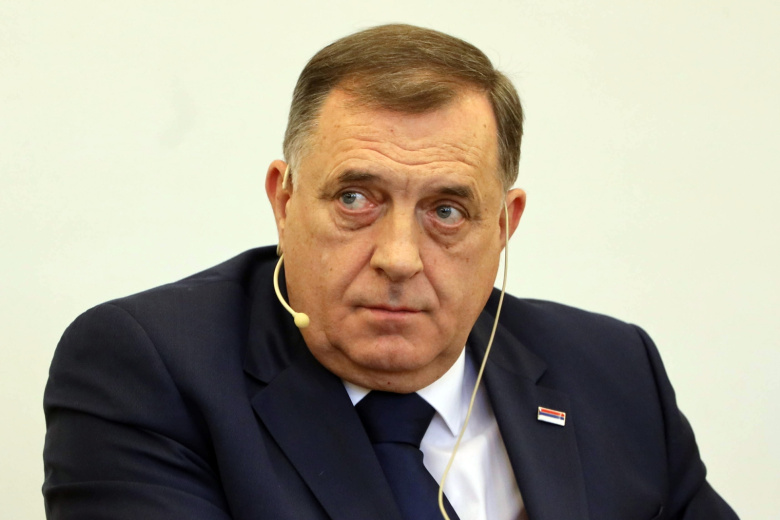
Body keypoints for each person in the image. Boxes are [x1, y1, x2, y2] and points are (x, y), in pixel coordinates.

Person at [42, 24, 738, 520]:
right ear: (284, 200)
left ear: (504, 225)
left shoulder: (614, 373)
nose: (399, 257)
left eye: (446, 211)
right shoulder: (149, 369)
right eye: (355, 199)